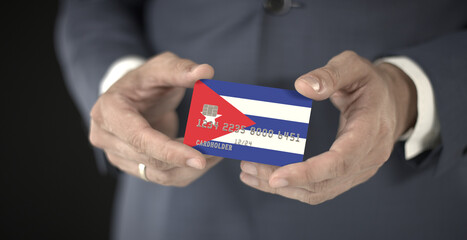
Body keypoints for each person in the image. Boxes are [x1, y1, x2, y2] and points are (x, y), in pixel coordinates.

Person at [56, 0, 467, 239]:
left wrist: (410, 89)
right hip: (172, 205)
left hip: (398, 204)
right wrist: (118, 80)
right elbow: (93, 8)